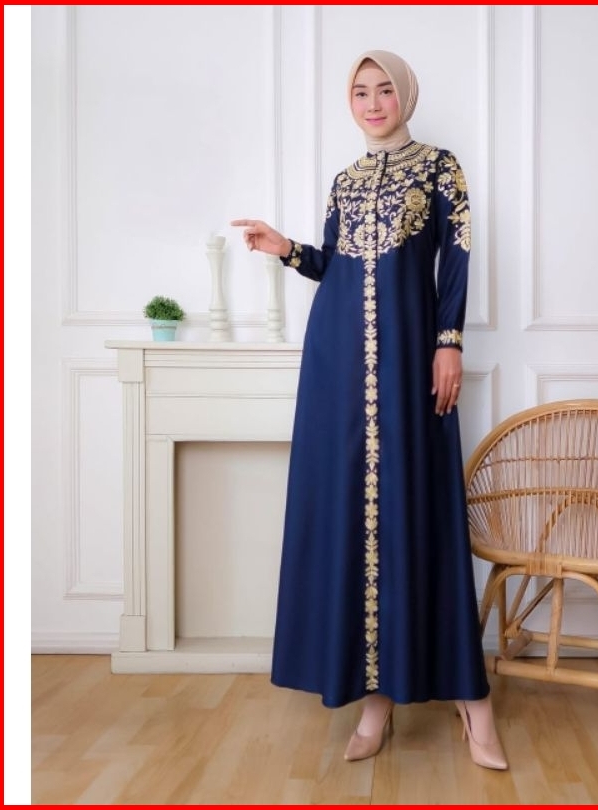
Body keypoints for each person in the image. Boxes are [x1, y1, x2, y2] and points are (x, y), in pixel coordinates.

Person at [231, 49, 507, 771]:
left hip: (413, 361)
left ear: (406, 95)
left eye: (385, 89)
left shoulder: (440, 168)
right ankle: (375, 699)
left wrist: (448, 343)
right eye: (361, 92)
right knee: (354, 519)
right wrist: (286, 249)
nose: (374, 102)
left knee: (422, 514)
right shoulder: (345, 181)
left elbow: (456, 259)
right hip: (339, 365)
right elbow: (337, 265)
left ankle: (472, 700)